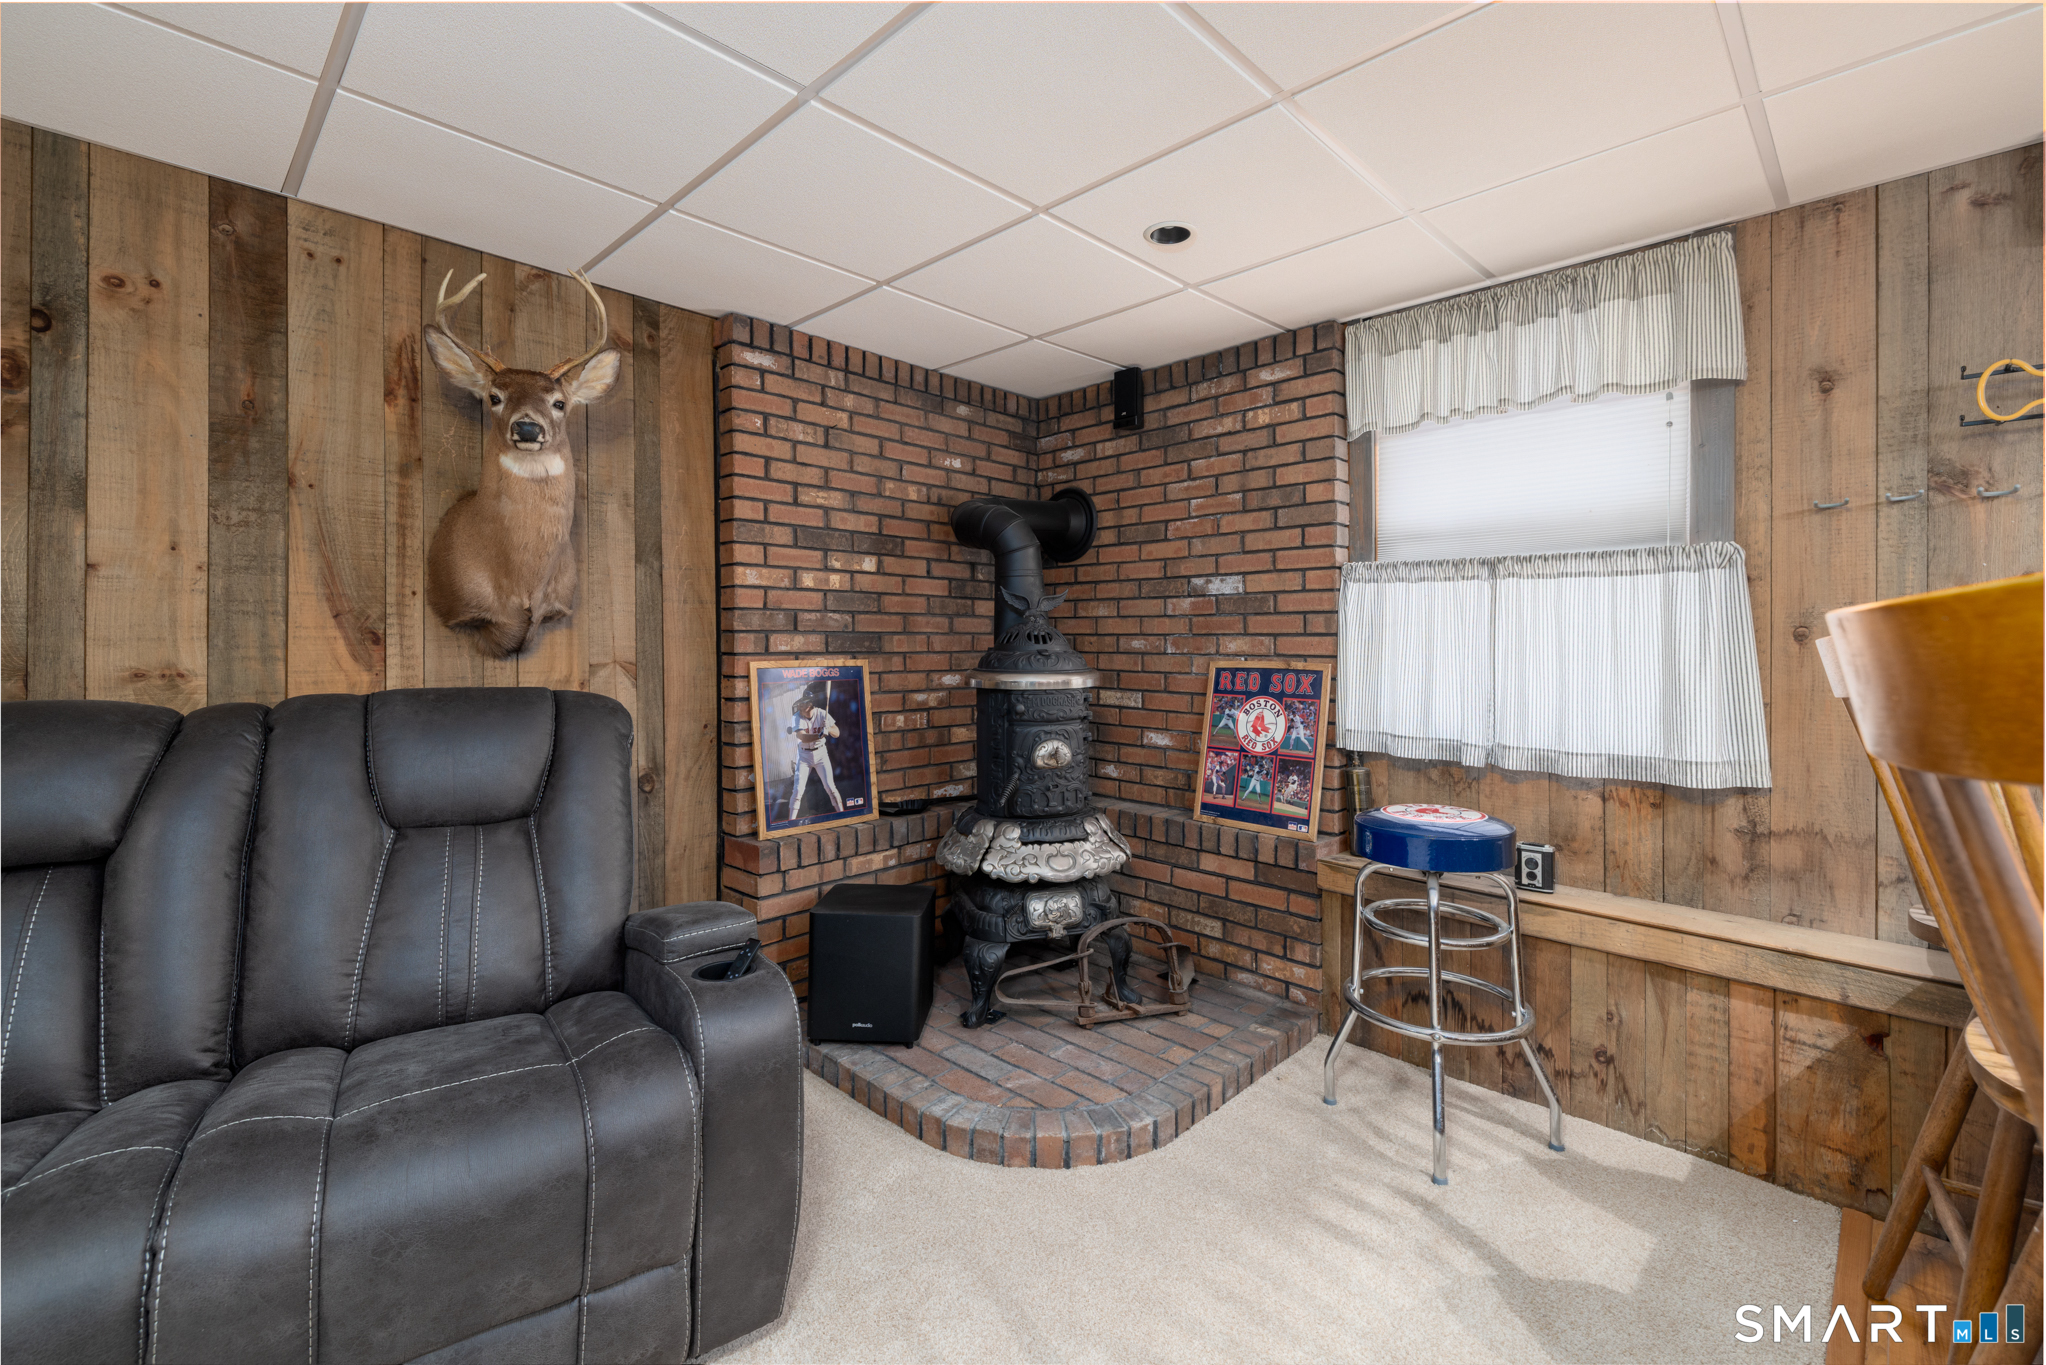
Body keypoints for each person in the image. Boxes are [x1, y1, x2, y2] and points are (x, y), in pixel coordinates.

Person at [785, 689, 844, 820]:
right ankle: (791, 822)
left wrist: (829, 728)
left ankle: (842, 815)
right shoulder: (796, 717)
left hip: (821, 754)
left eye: (802, 704)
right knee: (798, 790)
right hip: (804, 756)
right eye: (800, 704)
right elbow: (802, 737)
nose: (800, 706)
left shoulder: (822, 714)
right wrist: (819, 734)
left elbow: (837, 732)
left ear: (810, 704)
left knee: (830, 787)